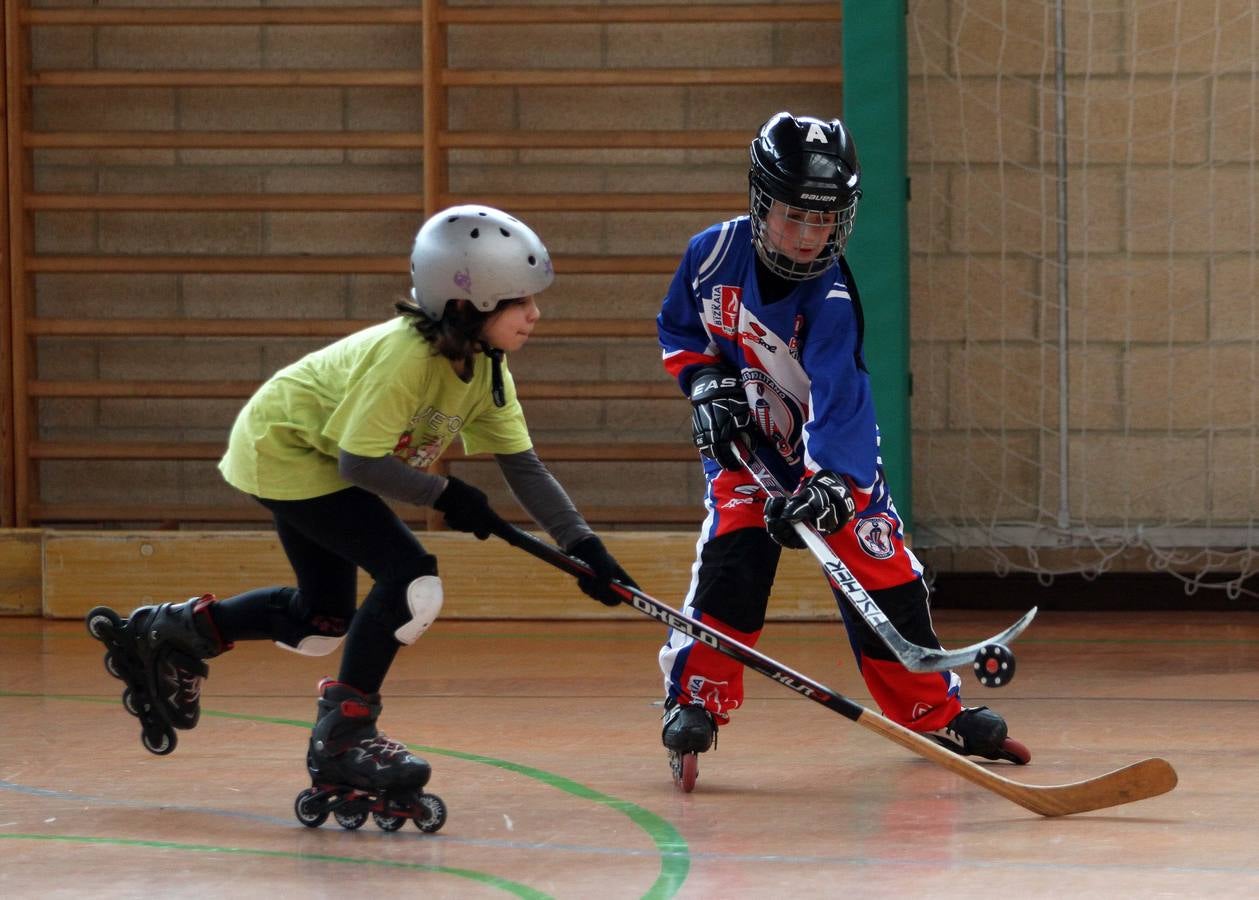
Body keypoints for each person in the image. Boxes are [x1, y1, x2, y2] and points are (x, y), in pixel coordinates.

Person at [87, 204, 637, 828]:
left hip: (314, 454)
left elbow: (525, 468)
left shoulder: (485, 369)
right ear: (466, 306)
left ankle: (177, 632)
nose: (535, 314)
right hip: (287, 451)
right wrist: (447, 496)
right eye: (519, 302)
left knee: (322, 622)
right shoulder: (409, 359)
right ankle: (344, 739)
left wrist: (584, 551)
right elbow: (359, 464)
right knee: (413, 582)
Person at [654, 112, 1028, 787]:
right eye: (793, 216)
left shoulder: (828, 296)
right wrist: (706, 384)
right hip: (746, 455)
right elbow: (679, 328)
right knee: (732, 565)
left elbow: (840, 395)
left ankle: (927, 708)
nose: (806, 237)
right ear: (761, 202)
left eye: (823, 222)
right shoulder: (708, 255)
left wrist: (830, 486)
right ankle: (694, 700)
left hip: (827, 461)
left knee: (882, 569)